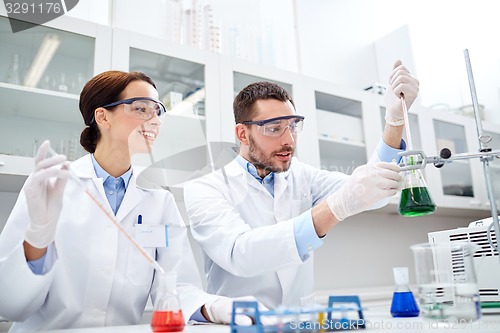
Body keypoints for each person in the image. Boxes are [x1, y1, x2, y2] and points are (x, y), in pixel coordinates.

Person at [0, 71, 262, 332]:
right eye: (141, 109)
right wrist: (37, 239)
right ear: (103, 117)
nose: (154, 120)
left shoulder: (159, 200)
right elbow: (9, 303)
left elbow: (174, 285)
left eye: (157, 111)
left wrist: (212, 307)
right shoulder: (50, 186)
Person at [184, 61, 419, 309]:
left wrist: (394, 121)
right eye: (274, 129)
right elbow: (240, 254)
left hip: (300, 322)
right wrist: (334, 208)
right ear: (243, 134)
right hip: (241, 324)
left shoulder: (302, 176)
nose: (289, 140)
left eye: (293, 127)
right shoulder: (205, 188)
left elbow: (372, 190)